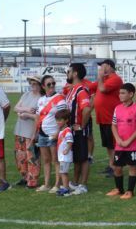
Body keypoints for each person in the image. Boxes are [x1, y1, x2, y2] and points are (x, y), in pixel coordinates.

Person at [107, 83, 136, 200]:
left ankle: (130, 191)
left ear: (131, 94)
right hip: (120, 145)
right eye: (120, 93)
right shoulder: (117, 108)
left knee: (132, 167)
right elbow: (113, 125)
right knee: (117, 167)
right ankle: (119, 189)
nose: (120, 95)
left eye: (123, 93)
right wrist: (118, 139)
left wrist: (129, 141)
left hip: (133, 145)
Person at [32, 76, 67, 193]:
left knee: (55, 160)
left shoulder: (60, 99)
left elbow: (65, 116)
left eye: (53, 83)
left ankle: (57, 184)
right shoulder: (41, 99)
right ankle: (46, 184)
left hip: (54, 134)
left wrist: (58, 133)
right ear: (43, 86)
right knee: (46, 160)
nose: (52, 86)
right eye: (49, 84)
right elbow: (38, 117)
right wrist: (36, 133)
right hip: (42, 134)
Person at [65, 63, 93, 195]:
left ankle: (83, 184)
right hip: (73, 129)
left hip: (79, 129)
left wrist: (82, 125)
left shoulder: (81, 90)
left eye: (69, 71)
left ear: (75, 73)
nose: (67, 74)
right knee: (77, 157)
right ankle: (75, 182)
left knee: (83, 157)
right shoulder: (73, 89)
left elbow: (87, 109)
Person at [94, 59, 124, 178]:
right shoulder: (104, 79)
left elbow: (102, 89)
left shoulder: (115, 78)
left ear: (110, 67)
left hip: (111, 117)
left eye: (103, 65)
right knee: (108, 145)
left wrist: (100, 77)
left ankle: (116, 166)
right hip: (103, 118)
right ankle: (111, 165)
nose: (101, 68)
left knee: (113, 144)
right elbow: (92, 87)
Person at [13, 75, 43, 188]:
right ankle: (25, 177)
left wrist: (25, 114)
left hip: (31, 131)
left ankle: (33, 180)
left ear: (40, 85)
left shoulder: (41, 98)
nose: (33, 85)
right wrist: (25, 110)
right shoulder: (26, 95)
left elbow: (38, 116)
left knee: (32, 157)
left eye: (35, 83)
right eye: (31, 83)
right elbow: (16, 108)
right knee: (20, 156)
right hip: (20, 130)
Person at [55, 109, 74, 196]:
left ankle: (66, 188)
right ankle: (65, 187)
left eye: (60, 120)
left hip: (65, 157)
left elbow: (70, 141)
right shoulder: (61, 130)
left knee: (63, 172)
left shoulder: (67, 130)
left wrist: (67, 149)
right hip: (62, 156)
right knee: (62, 172)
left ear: (66, 120)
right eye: (57, 120)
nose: (58, 122)